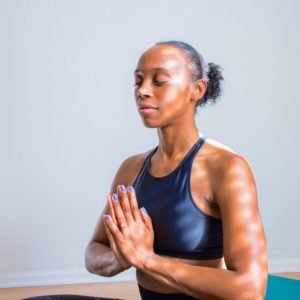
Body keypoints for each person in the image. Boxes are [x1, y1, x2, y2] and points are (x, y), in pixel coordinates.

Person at [85, 40, 268, 299]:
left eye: (159, 81)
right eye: (138, 81)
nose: (143, 91)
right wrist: (121, 258)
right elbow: (94, 250)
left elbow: (249, 289)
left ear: (197, 89)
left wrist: (148, 261)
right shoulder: (130, 169)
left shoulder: (227, 169)